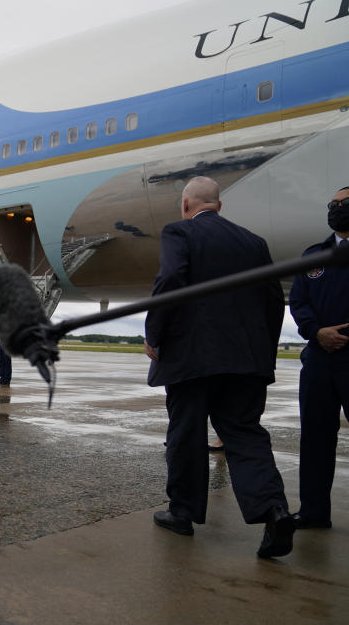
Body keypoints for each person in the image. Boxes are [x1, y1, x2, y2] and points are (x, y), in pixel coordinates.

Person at [143, 176, 293, 558]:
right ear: (219, 206)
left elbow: (171, 279)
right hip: (245, 361)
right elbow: (275, 300)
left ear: (185, 204)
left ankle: (183, 514)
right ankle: (274, 510)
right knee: (244, 434)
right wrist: (261, 354)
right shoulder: (254, 242)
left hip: (192, 358)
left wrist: (154, 334)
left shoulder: (179, 232)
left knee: (187, 435)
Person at [287, 186, 349, 530]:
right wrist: (316, 333)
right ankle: (313, 512)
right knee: (315, 438)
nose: (338, 209)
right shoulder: (315, 255)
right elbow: (299, 302)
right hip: (320, 360)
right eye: (333, 205)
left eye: (345, 204)